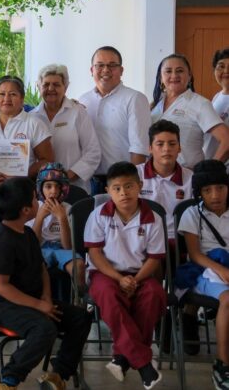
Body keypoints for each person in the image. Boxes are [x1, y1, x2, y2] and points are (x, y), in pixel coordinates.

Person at [0, 177, 92, 390]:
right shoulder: (2, 240)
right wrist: (38, 306)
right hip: (4, 304)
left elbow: (42, 268)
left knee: (80, 317)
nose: (38, 202)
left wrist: (45, 297)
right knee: (45, 329)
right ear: (26, 210)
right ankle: (8, 380)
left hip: (33, 299)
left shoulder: (27, 234)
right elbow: (1, 286)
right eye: (35, 199)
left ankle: (58, 375)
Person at [85, 161, 166, 389]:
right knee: (109, 295)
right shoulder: (99, 215)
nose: (123, 193)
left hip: (140, 274)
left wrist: (135, 280)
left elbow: (154, 258)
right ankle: (144, 365)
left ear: (140, 186)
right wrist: (119, 279)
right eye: (117, 188)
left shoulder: (153, 218)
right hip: (105, 273)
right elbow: (95, 254)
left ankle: (121, 357)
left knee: (153, 294)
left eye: (129, 186)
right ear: (108, 191)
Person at [178, 159, 229, 388]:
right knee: (227, 299)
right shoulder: (192, 214)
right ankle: (222, 364)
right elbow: (195, 254)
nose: (215, 195)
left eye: (220, 188)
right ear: (199, 193)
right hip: (205, 270)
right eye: (207, 190)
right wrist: (221, 270)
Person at [78, 46, 150, 195]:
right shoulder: (83, 101)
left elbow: (139, 147)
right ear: (92, 70)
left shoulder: (135, 99)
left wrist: (132, 185)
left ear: (121, 70)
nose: (106, 70)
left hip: (121, 184)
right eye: (100, 65)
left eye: (112, 65)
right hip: (88, 182)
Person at [0, 75, 53, 186]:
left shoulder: (34, 123)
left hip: (22, 188)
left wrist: (24, 174)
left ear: (22, 99)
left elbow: (47, 160)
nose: (6, 99)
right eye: (2, 94)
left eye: (13, 94)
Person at [31, 64, 101, 194]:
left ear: (66, 87)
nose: (51, 88)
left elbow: (93, 153)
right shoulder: (31, 118)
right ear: (38, 87)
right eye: (46, 84)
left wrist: (65, 178)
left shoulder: (78, 112)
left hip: (74, 188)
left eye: (56, 84)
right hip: (41, 190)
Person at [151, 53, 229, 169]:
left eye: (180, 71)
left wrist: (210, 171)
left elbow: (226, 140)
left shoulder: (200, 104)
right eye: (168, 71)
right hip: (156, 177)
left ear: (189, 76)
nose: (174, 75)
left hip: (187, 178)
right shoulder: (154, 105)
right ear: (161, 78)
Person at [26, 163, 87, 292]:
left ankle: (81, 300)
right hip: (40, 249)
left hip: (61, 249)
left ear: (62, 189)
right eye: (48, 186)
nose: (53, 191)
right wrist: (40, 217)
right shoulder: (34, 207)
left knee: (79, 265)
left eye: (57, 187)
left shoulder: (68, 209)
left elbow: (68, 247)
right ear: (40, 188)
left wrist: (62, 218)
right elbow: (32, 244)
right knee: (32, 266)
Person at [136, 120, 193, 240]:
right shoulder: (135, 175)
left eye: (172, 144)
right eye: (160, 144)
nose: (166, 149)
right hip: (142, 239)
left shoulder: (191, 178)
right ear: (150, 148)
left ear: (179, 148)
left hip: (179, 242)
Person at [206, 47, 229, 164]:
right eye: (221, 66)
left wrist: (213, 168)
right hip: (213, 165)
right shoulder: (217, 97)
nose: (226, 71)